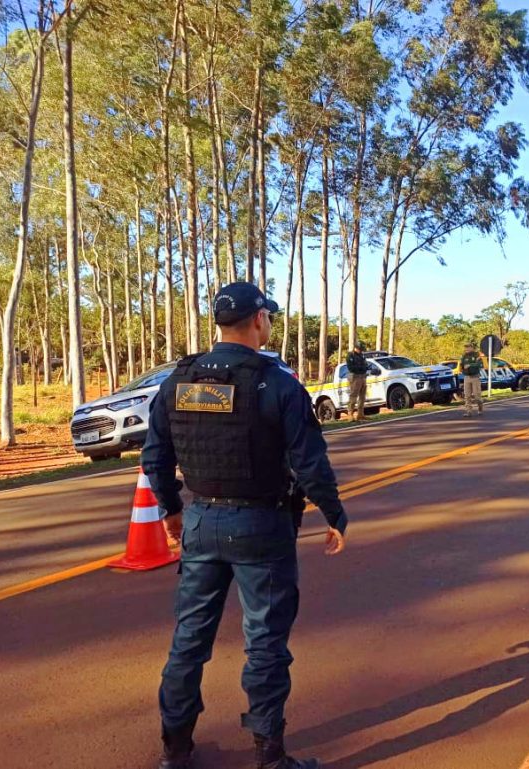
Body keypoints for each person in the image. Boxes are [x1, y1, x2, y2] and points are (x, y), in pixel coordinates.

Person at [142, 281, 347, 769]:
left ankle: (176, 751)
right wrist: (333, 514)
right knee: (266, 642)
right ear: (258, 320)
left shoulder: (179, 382)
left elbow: (155, 457)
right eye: (269, 317)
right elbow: (310, 461)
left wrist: (172, 510)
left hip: (201, 520)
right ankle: (269, 756)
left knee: (189, 639)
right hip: (262, 527)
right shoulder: (275, 383)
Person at [346, 341, 369, 422]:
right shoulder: (351, 355)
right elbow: (351, 367)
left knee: (362, 397)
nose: (361, 350)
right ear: (356, 348)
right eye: (360, 349)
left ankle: (360, 414)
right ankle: (350, 414)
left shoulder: (362, 355)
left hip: (362, 376)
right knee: (353, 396)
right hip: (355, 377)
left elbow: (366, 365)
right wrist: (361, 368)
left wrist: (365, 368)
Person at [460, 342, 484, 417]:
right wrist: (463, 369)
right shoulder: (464, 356)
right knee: (467, 395)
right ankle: (468, 411)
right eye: (465, 347)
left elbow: (480, 365)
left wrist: (470, 365)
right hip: (467, 377)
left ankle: (480, 407)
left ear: (472, 348)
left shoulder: (477, 355)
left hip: (475, 377)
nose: (466, 349)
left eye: (468, 347)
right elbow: (461, 366)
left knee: (477, 396)